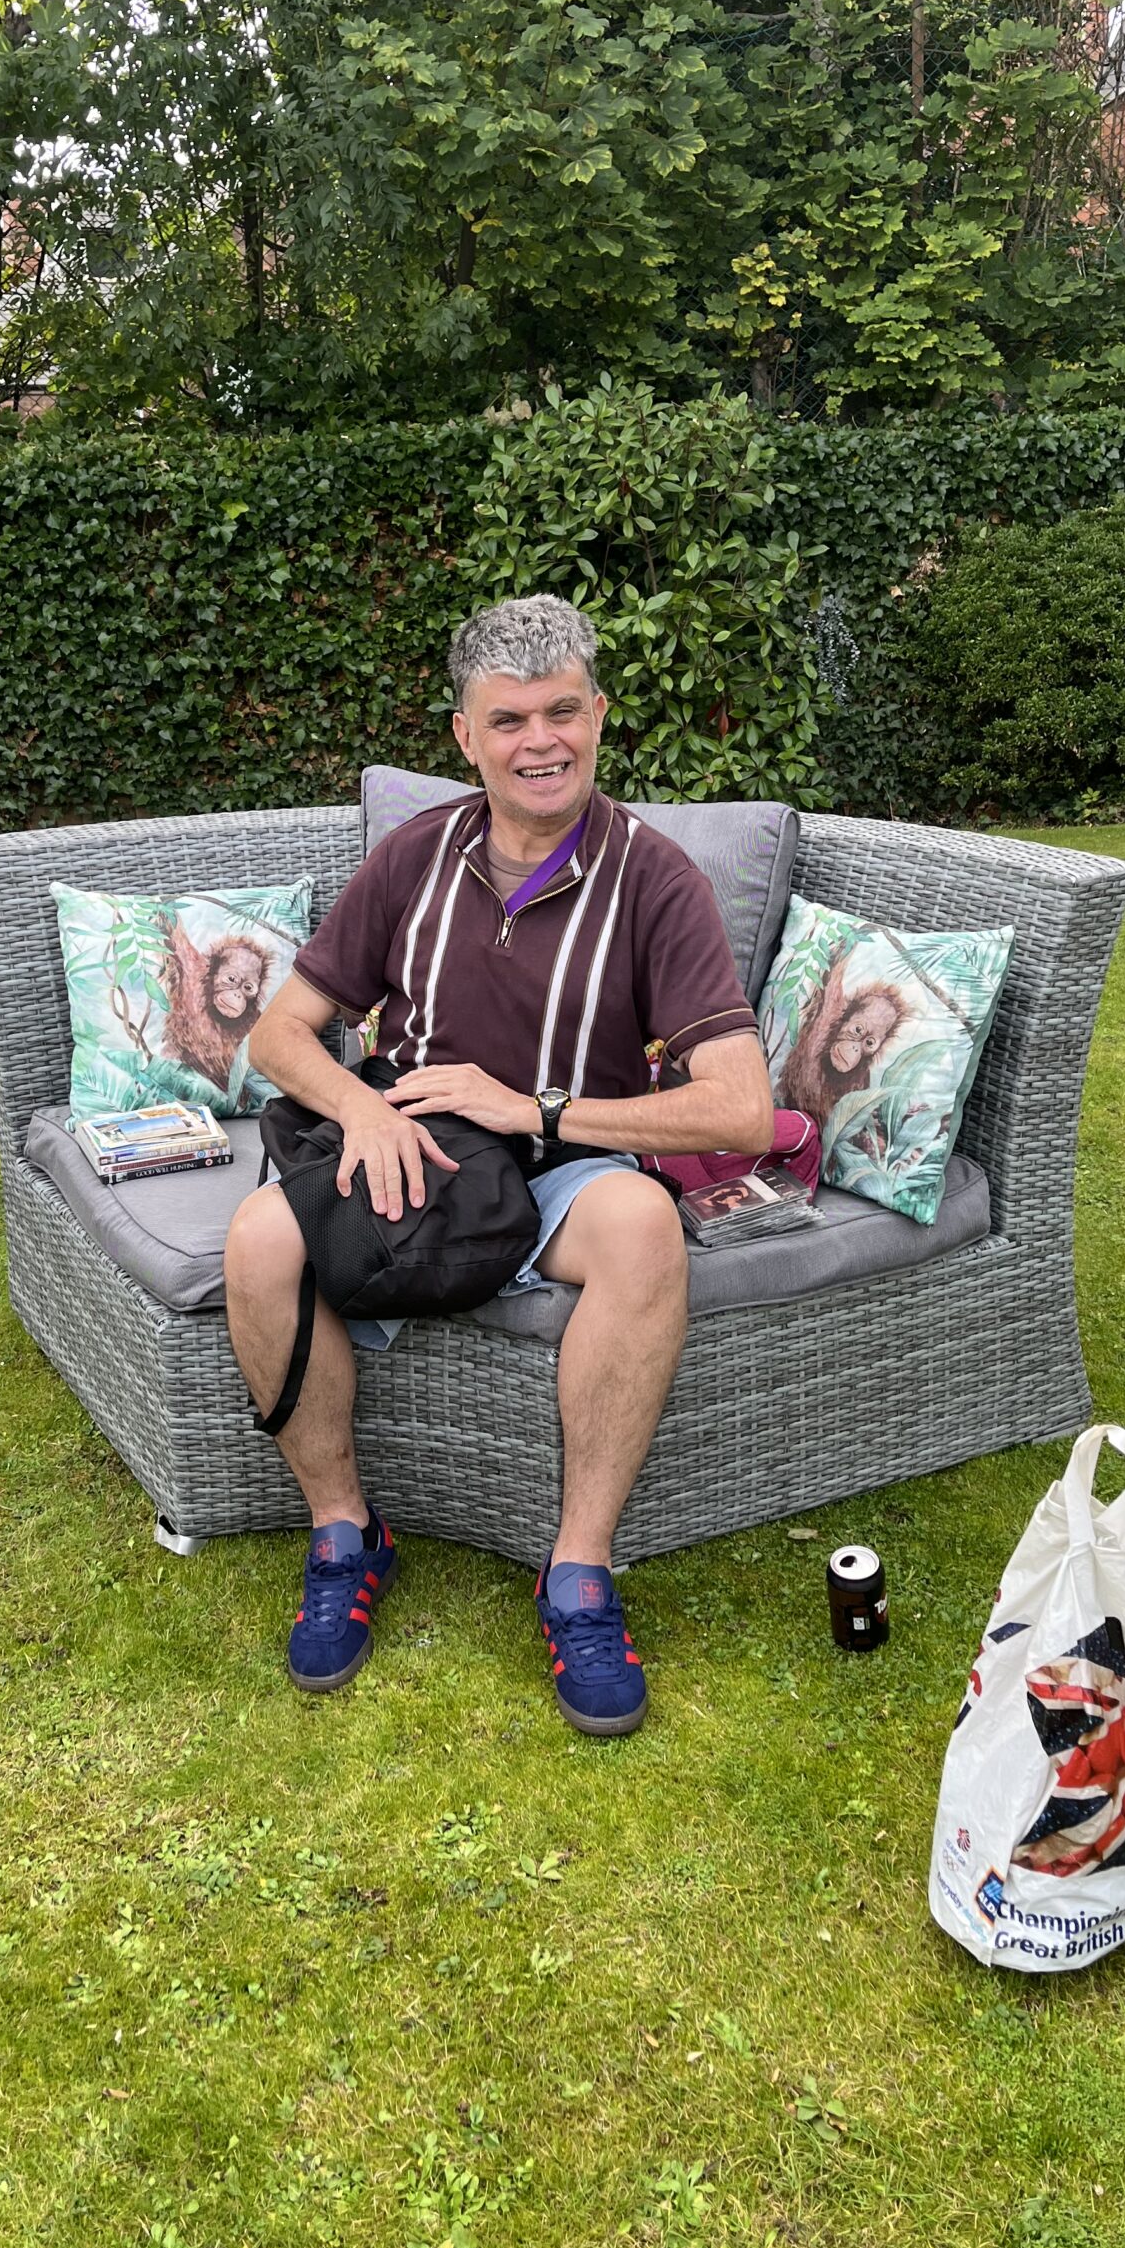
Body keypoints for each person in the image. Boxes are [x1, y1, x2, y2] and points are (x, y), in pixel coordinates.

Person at [223, 593, 774, 1735]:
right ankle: (344, 1534)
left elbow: (744, 1109)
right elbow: (278, 1036)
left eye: (563, 711)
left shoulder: (657, 880)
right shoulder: (414, 855)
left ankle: (579, 1574)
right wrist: (361, 1111)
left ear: (600, 715)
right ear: (464, 736)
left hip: (568, 1162)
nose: (541, 742)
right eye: (510, 719)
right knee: (260, 1240)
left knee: (643, 1229)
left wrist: (534, 1107)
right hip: (419, 1149)